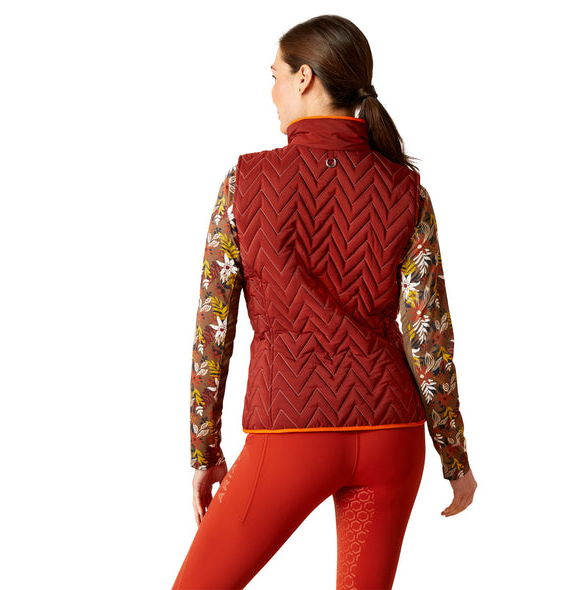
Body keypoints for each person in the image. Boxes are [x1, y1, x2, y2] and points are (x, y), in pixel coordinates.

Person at [172, 14, 477, 590]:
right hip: (393, 434)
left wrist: (204, 451)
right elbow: (430, 337)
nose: (272, 92)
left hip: (291, 432)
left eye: (275, 75)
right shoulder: (406, 190)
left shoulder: (245, 183)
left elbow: (213, 330)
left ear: (305, 77)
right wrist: (453, 456)